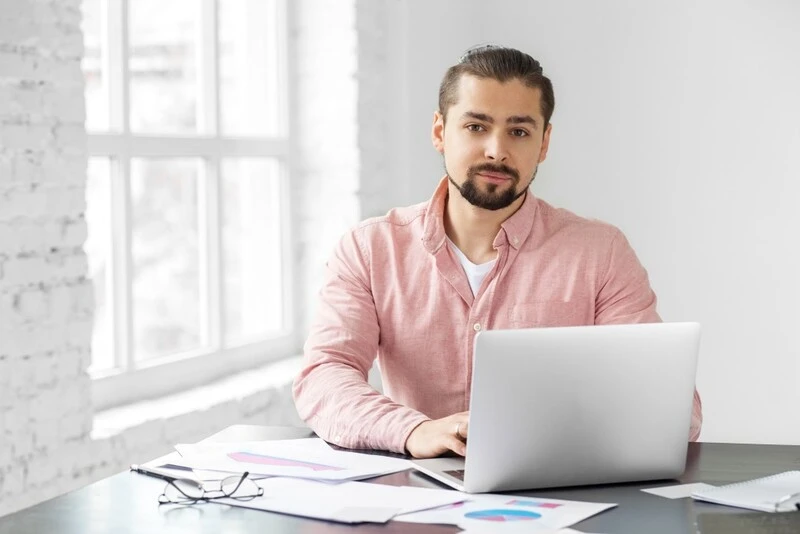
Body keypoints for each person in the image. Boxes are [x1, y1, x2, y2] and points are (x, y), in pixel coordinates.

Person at [293, 45, 702, 459]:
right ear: (439, 132)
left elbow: (674, 411)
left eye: (519, 132)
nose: (496, 150)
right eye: (475, 127)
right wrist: (414, 430)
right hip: (416, 496)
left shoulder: (601, 253)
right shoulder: (369, 249)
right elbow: (324, 376)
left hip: (558, 495)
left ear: (544, 143)